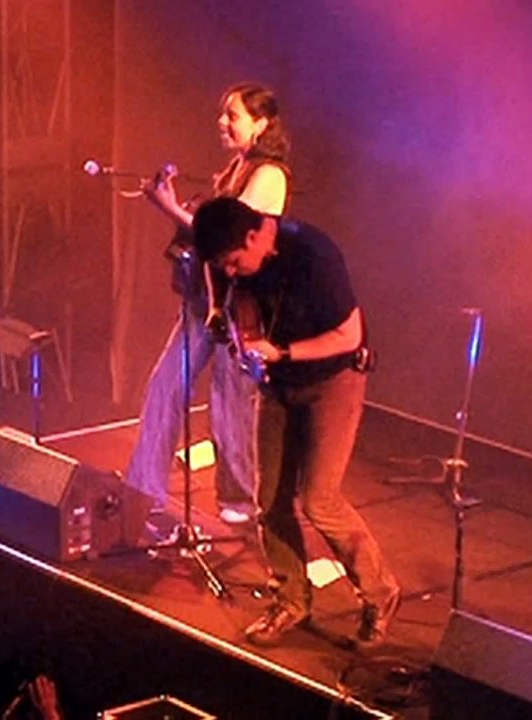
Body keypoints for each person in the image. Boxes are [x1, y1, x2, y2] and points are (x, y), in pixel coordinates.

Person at [189, 196, 401, 650]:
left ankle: (380, 594)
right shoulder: (232, 256)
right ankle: (291, 599)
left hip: (332, 379)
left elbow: (349, 336)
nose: (231, 272)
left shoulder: (314, 255)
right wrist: (217, 308)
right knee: (269, 500)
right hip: (277, 385)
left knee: (319, 500)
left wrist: (282, 353)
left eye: (234, 262)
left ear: (253, 237)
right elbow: (215, 268)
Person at [126, 83, 291, 527]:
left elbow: (228, 238)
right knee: (165, 387)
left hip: (241, 308)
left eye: (232, 115)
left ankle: (240, 499)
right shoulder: (237, 168)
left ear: (260, 123)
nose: (222, 122)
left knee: (230, 403)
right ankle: (142, 489)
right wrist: (178, 207)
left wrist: (168, 208)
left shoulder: (269, 175)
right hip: (206, 300)